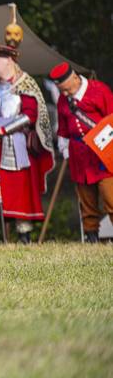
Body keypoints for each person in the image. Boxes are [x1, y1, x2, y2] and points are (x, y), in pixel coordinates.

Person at [0, 32, 54, 244]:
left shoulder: (25, 84)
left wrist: (3, 130)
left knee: (19, 192)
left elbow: (30, 115)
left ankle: (23, 234)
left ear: (9, 61)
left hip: (15, 146)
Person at [49, 62, 113, 243]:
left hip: (102, 153)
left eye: (67, 90)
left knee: (111, 196)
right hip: (79, 155)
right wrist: (65, 148)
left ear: (75, 79)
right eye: (62, 91)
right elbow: (63, 128)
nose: (65, 95)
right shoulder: (63, 99)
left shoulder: (99, 90)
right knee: (87, 200)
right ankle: (91, 236)